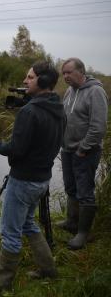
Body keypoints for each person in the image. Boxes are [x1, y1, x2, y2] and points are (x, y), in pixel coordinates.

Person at [0, 61, 65, 290]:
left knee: (9, 232)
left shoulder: (30, 112)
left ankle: (1, 282)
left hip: (24, 180)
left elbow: (16, 150)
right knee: (28, 224)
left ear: (43, 81)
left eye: (30, 77)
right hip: (42, 179)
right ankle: (48, 269)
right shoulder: (58, 108)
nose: (25, 81)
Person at [57, 58, 108, 250]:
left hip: (86, 152)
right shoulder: (70, 91)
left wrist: (83, 148)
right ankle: (72, 222)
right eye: (63, 73)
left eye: (69, 72)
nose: (65, 76)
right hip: (68, 149)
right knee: (71, 188)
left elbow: (98, 127)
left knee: (85, 192)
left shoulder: (96, 92)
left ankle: (83, 233)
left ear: (81, 71)